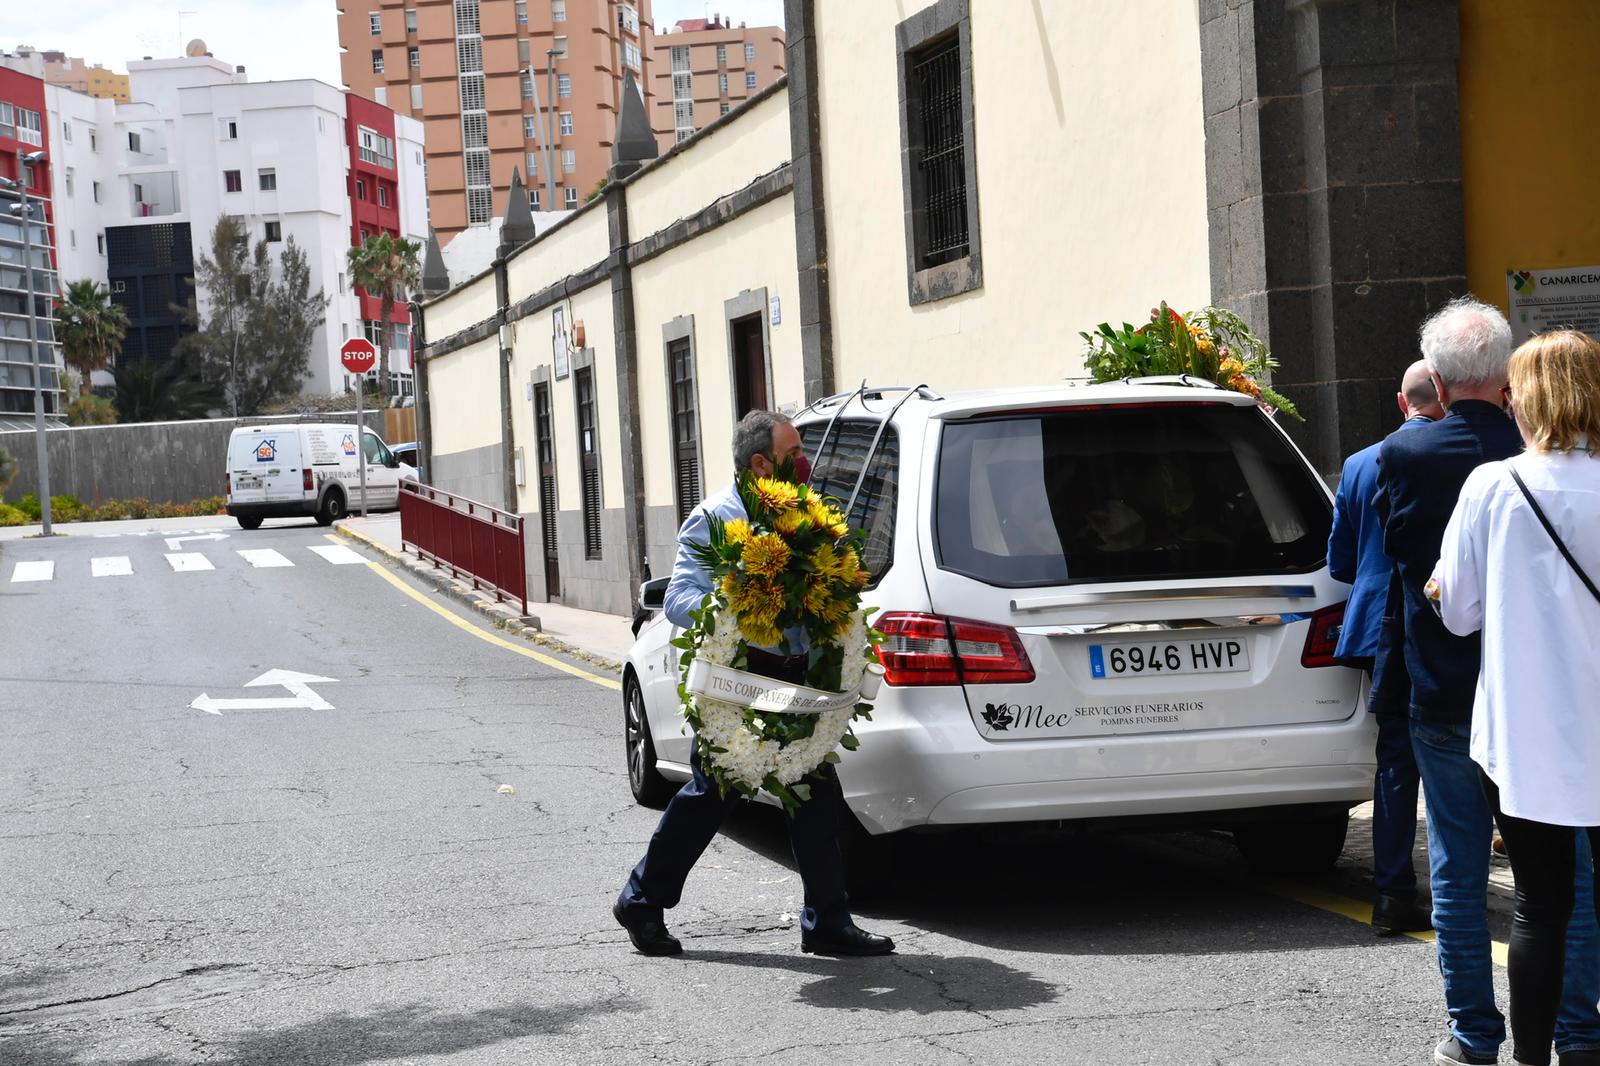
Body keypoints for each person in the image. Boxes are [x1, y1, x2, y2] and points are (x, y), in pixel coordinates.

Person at [1376, 299, 1600, 1066]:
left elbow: (1456, 608)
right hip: (1588, 715)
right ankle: (1583, 1035)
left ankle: (1484, 1040)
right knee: (1581, 894)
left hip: (1497, 715)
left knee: (1503, 888)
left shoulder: (1472, 480)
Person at [613, 409, 895, 958]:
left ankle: (827, 921)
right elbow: (678, 598)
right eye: (794, 453)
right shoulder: (715, 517)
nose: (805, 465)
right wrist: (737, 607)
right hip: (740, 678)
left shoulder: (810, 517)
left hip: (798, 675)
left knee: (814, 791)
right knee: (711, 794)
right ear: (762, 462)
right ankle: (641, 899)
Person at [1327, 360, 1442, 936]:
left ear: (1402, 402)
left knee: (1395, 757)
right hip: (1444, 622)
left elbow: (1341, 561)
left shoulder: (1357, 463)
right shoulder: (1465, 454)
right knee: (1465, 753)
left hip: (1378, 626)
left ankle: (1393, 891)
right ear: (1443, 398)